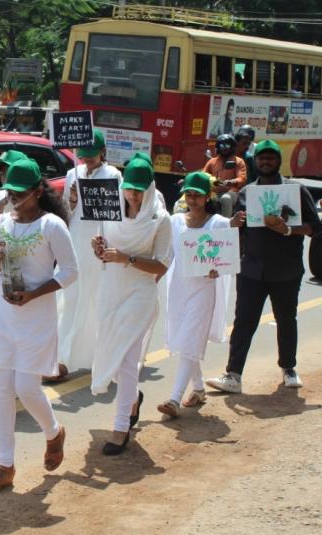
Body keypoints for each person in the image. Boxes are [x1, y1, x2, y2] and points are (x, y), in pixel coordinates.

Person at [0, 159, 77, 493]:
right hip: (0, 317)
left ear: (37, 191)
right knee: (1, 390)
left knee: (27, 388)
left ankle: (53, 431)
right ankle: (5, 465)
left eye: (21, 192)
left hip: (35, 317)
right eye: (9, 192)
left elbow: (70, 272)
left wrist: (35, 293)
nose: (14, 198)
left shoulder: (52, 226)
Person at [206, 140, 321, 394]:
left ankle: (289, 368)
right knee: (244, 322)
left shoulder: (297, 191)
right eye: (261, 158)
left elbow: (316, 228)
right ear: (255, 161)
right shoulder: (246, 193)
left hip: (286, 270)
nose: (265, 162)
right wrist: (233, 225)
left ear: (279, 161)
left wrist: (289, 229)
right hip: (251, 270)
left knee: (286, 320)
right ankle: (233, 375)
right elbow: (239, 232)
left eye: (270, 158)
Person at [91, 158, 172, 455]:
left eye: (139, 191)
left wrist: (127, 259)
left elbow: (162, 263)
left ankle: (120, 427)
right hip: (111, 291)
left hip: (140, 294)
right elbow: (104, 248)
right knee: (113, 356)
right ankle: (133, 397)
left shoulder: (160, 220)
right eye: (129, 190)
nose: (133, 196)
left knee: (126, 361)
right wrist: (98, 247)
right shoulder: (110, 212)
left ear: (149, 189)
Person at [157, 172, 237, 418]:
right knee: (185, 341)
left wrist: (218, 270)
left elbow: (228, 256)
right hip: (179, 288)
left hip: (204, 290)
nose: (192, 200)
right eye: (189, 195)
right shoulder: (175, 221)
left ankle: (174, 399)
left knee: (191, 341)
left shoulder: (219, 223)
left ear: (208, 196)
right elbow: (165, 252)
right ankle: (199, 388)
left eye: (197, 195)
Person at [55, 130, 122, 377]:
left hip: (98, 243)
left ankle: (91, 355)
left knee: (92, 300)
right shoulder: (73, 173)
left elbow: (117, 213)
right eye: (84, 157)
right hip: (74, 240)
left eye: (92, 156)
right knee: (67, 298)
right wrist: (72, 199)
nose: (87, 161)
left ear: (102, 153)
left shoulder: (113, 175)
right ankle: (60, 357)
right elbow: (65, 213)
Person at [204, 134, 247, 216]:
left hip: (232, 192)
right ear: (217, 147)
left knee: (226, 198)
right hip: (214, 191)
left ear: (232, 147)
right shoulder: (212, 162)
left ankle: (226, 225)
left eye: (227, 145)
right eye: (221, 145)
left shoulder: (238, 161)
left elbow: (242, 178)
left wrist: (231, 182)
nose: (224, 148)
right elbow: (203, 175)